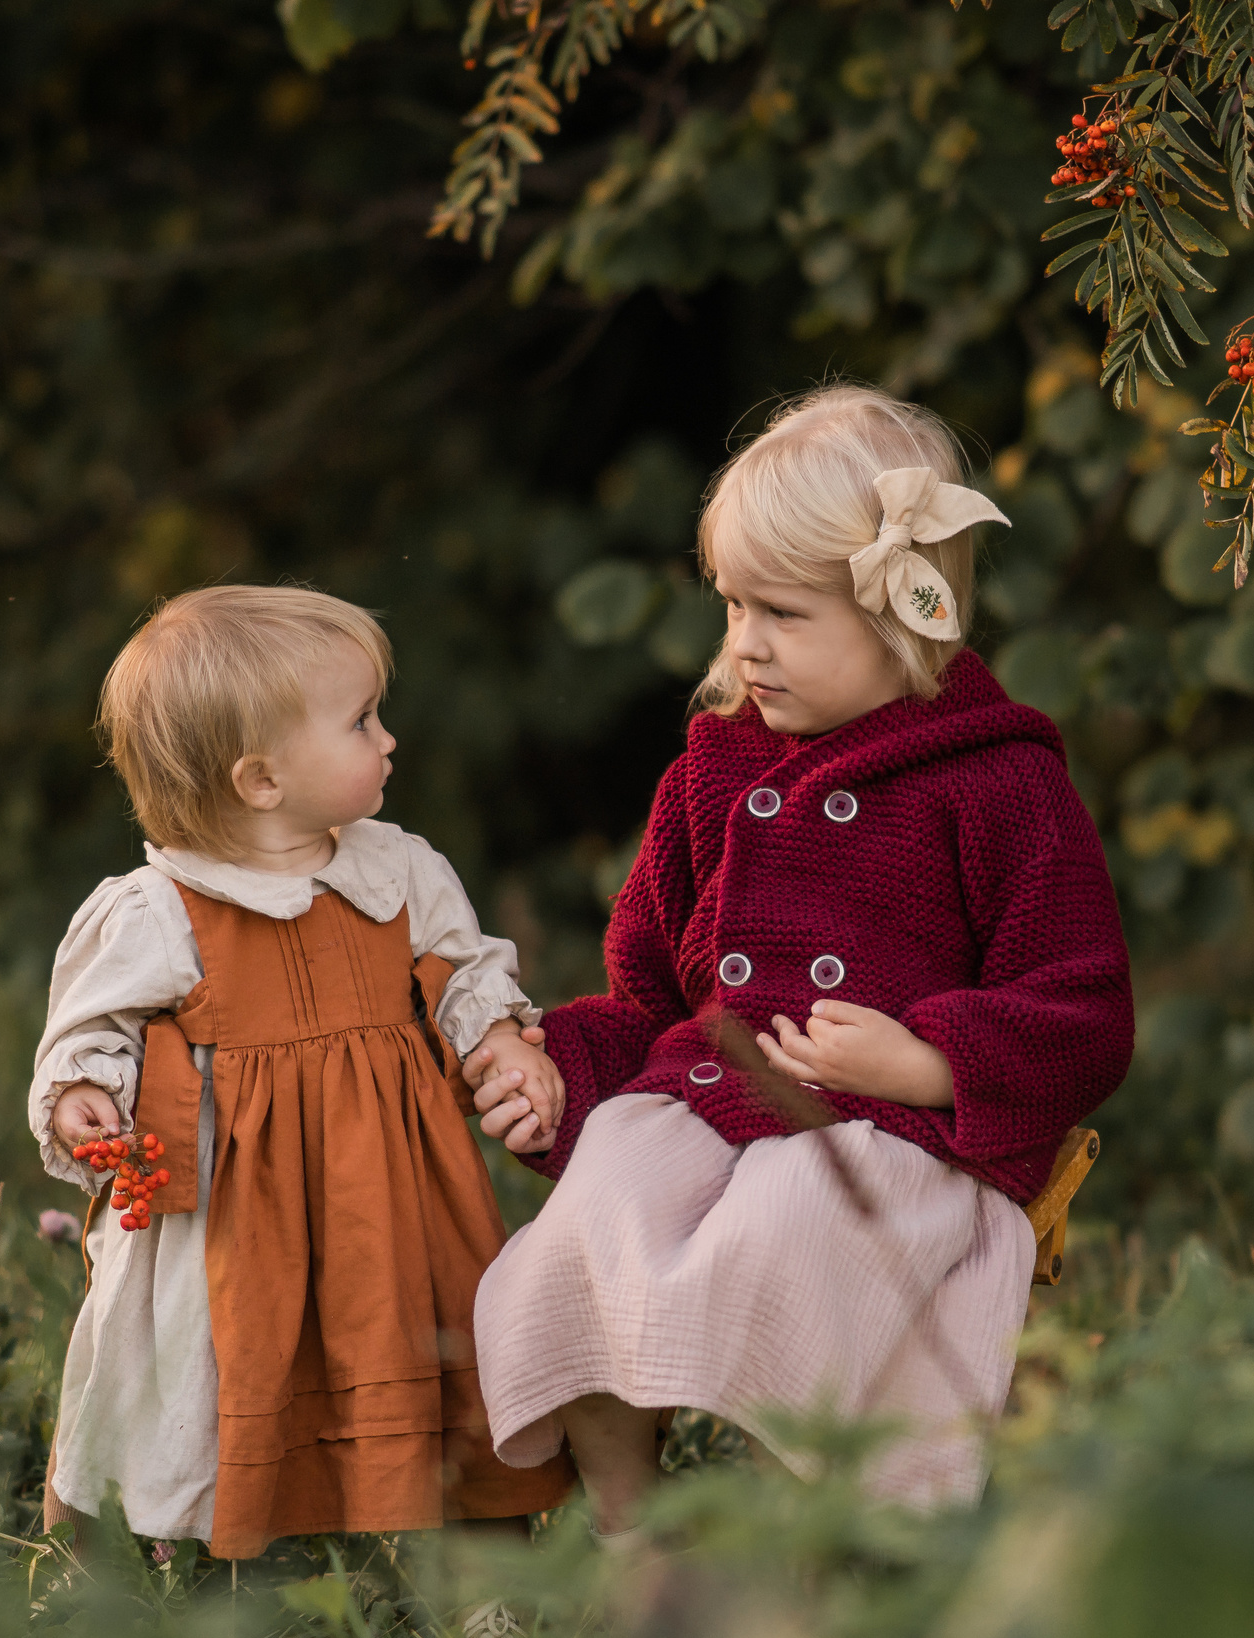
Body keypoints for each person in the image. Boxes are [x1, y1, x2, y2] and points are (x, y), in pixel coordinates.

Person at [466, 384, 1135, 1543]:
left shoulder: (997, 785)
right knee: (572, 1243)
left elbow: (1081, 1006)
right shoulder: (711, 777)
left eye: (780, 612)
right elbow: (652, 997)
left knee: (787, 1231)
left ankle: (805, 1539)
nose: (743, 645)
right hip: (704, 1107)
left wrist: (928, 1063)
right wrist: (560, 1069)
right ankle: (638, 1533)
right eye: (731, 606)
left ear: (906, 616)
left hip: (882, 1136)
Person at [28, 584, 574, 1560]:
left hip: (396, 1193)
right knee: (207, 1352)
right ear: (262, 780)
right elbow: (95, 1027)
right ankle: (182, 1547)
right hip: (241, 1205)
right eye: (362, 720)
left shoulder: (398, 871)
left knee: (434, 1337)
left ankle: (483, 1560)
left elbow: (461, 974)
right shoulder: (157, 909)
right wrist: (84, 1094)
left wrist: (496, 1042)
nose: (389, 737)